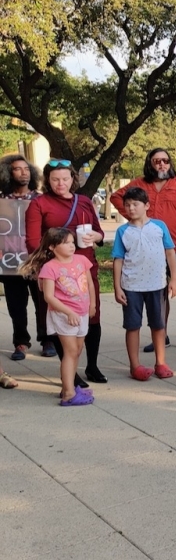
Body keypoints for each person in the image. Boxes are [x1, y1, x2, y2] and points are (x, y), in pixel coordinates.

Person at [111, 148, 176, 353]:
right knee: (160, 294)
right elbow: (116, 197)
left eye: (165, 161)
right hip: (150, 252)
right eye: (157, 161)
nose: (161, 164)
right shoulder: (140, 183)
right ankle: (162, 335)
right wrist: (133, 217)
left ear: (170, 163)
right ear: (150, 163)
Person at [25, 161, 105, 386]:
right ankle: (71, 373)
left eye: (65, 179)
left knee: (92, 315)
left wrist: (96, 238)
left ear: (73, 179)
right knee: (63, 321)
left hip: (85, 268)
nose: (61, 184)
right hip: (56, 273)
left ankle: (92, 365)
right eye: (55, 179)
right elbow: (32, 241)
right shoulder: (39, 204)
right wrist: (47, 265)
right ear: (47, 180)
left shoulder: (85, 202)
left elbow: (98, 231)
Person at [21, 228, 96, 405]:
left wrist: (92, 304)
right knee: (70, 352)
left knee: (77, 351)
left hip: (82, 313)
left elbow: (90, 283)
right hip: (64, 316)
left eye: (72, 242)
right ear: (53, 247)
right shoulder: (49, 268)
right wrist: (68, 312)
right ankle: (69, 394)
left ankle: (68, 386)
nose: (72, 246)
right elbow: (48, 296)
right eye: (66, 243)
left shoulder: (82, 260)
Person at [111, 187, 176, 380]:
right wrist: (117, 287)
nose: (131, 208)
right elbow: (118, 259)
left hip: (157, 284)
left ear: (146, 205)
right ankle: (135, 366)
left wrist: (174, 279)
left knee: (158, 325)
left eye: (135, 204)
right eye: (127, 205)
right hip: (131, 285)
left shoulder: (159, 227)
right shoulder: (122, 231)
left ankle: (161, 362)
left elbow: (170, 252)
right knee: (132, 326)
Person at [0, 154, 45, 361]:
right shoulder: (1, 201)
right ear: (8, 173)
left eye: (26, 169)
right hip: (10, 262)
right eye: (17, 169)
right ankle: (21, 342)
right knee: (16, 305)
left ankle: (48, 340)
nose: (23, 172)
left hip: (37, 262)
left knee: (43, 302)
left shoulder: (40, 199)